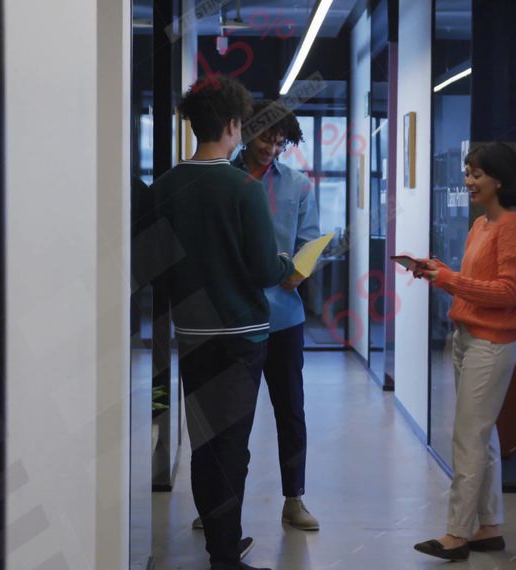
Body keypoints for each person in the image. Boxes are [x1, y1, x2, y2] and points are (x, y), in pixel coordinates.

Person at [151, 75, 297, 570]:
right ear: (234, 125)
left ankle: (221, 542)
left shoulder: (167, 186)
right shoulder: (244, 189)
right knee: (232, 445)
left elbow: (156, 266)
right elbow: (263, 270)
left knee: (205, 440)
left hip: (191, 334)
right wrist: (283, 261)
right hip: (240, 336)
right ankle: (223, 556)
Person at [190, 99, 321, 532]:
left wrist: (300, 270)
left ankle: (294, 498)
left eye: (281, 141)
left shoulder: (298, 185)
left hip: (283, 318)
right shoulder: (222, 180)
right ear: (245, 131)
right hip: (231, 318)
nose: (272, 146)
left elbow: (308, 242)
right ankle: (216, 510)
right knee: (226, 424)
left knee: (291, 411)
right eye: (267, 137)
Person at [412, 142, 516, 561]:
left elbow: (507, 291)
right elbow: (475, 280)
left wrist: (451, 280)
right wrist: (441, 274)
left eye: (477, 174)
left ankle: (457, 534)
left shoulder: (512, 225)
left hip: (492, 342)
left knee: (468, 437)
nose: (468, 181)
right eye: (467, 172)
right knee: (485, 436)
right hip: (467, 337)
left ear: (500, 180)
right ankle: (490, 526)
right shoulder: (480, 225)